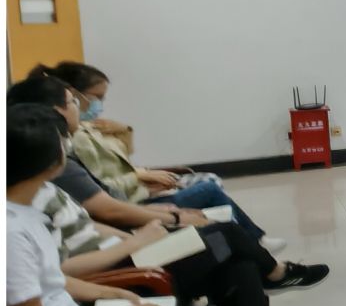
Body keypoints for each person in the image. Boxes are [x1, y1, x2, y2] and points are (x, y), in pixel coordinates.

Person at [6, 104, 232, 306]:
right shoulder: (12, 230)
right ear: (50, 161)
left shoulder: (29, 211)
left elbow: (52, 278)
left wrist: (111, 293)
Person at [18, 67, 285, 252]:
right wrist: (160, 208)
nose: (89, 106)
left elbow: (117, 169)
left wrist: (126, 135)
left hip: (132, 206)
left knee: (213, 213)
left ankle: (255, 253)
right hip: (132, 206)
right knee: (209, 195)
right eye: (77, 101)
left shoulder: (87, 133)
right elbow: (107, 203)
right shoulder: (68, 154)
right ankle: (257, 250)